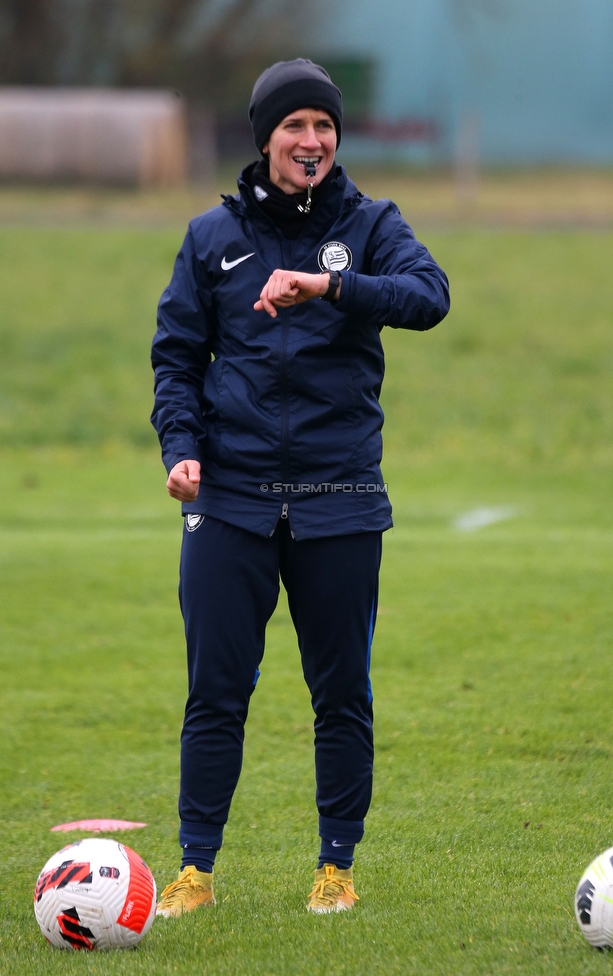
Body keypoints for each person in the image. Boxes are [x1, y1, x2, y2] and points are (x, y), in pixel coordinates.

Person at [151, 58, 450, 917]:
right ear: (266, 139)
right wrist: (180, 447)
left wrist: (332, 285)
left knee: (341, 696)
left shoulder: (370, 224)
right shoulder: (213, 238)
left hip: (341, 498)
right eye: (295, 127)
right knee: (215, 693)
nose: (312, 141)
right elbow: (176, 356)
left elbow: (430, 297)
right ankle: (196, 871)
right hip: (230, 500)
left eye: (324, 126)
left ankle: (336, 867)